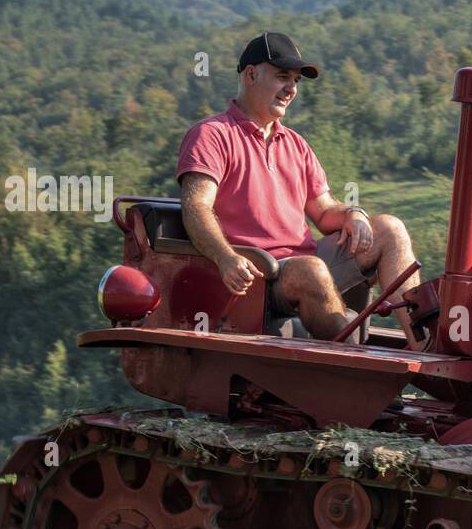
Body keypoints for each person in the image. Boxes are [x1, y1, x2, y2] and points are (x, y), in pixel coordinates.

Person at [175, 31, 421, 344]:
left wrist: (353, 214)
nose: (291, 89)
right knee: (312, 271)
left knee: (390, 228)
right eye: (282, 77)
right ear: (251, 74)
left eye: (295, 81)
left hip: (305, 262)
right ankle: (354, 362)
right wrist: (225, 258)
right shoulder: (211, 135)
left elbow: (324, 210)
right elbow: (196, 206)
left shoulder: (294, 144)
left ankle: (424, 345)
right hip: (261, 274)